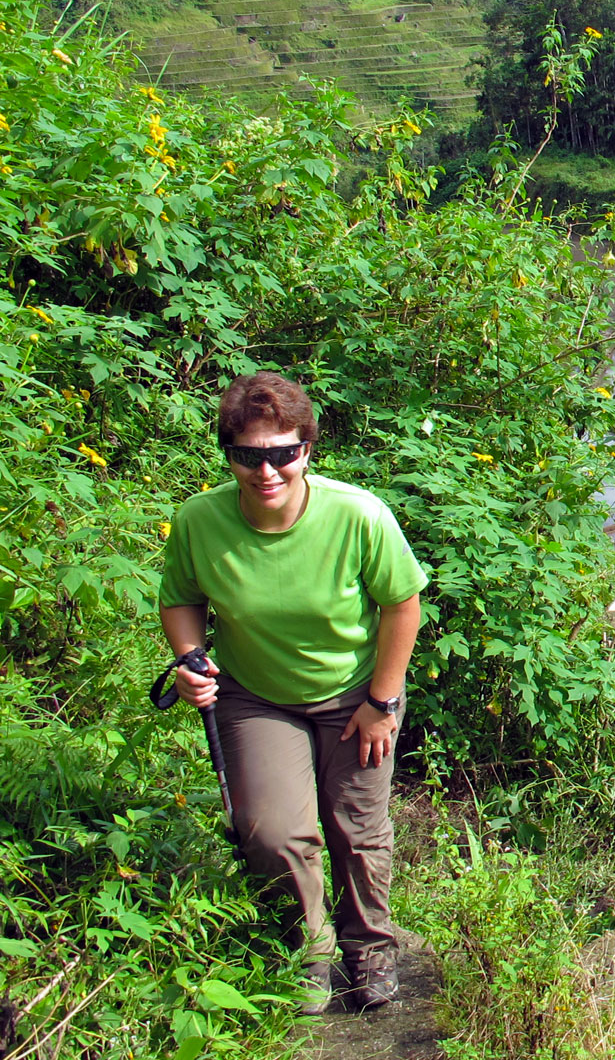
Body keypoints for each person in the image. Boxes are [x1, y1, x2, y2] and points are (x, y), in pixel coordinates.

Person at [157, 372, 427, 1016]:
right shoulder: (201, 520)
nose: (267, 469)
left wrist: (382, 702)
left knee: (357, 829)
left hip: (356, 693)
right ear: (229, 455)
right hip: (256, 696)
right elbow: (181, 600)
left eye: (284, 452)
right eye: (249, 455)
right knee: (272, 832)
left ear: (308, 448)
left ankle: (369, 946)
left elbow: (402, 604)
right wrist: (189, 657)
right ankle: (307, 950)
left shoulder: (357, 514)